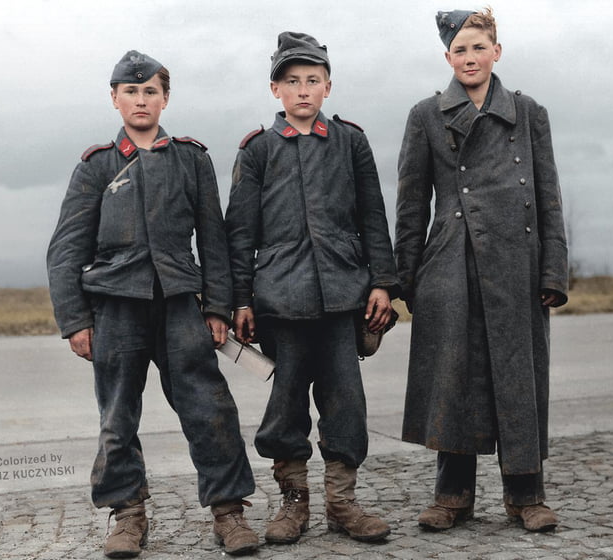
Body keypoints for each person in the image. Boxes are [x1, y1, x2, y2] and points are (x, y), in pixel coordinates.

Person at [46, 50, 259, 557]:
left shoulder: (191, 159)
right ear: (114, 98)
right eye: (131, 91)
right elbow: (65, 250)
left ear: (165, 98)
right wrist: (76, 320)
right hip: (115, 308)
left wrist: (217, 308)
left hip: (181, 304)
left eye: (151, 92)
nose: (141, 100)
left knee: (210, 408)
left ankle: (228, 512)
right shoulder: (96, 166)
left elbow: (214, 239)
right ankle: (126, 515)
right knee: (117, 416)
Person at [394, 9, 568, 533]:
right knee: (455, 377)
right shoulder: (425, 114)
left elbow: (548, 197)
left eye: (479, 47)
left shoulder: (529, 112)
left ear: (497, 51)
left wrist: (553, 272)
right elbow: (409, 204)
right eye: (460, 50)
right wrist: (407, 278)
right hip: (450, 260)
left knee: (520, 378)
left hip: (518, 262)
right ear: (447, 57)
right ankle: (452, 495)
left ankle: (526, 494)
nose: (470, 58)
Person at [225, 32, 400, 545]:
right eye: (293, 81)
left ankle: (343, 503)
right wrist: (240, 298)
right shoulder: (257, 151)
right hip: (280, 298)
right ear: (275, 89)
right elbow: (240, 231)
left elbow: (373, 216)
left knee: (346, 400)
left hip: (345, 294)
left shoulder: (352, 142)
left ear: (328, 86)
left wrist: (383, 283)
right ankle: (292, 503)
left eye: (313, 81)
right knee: (286, 403)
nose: (304, 90)